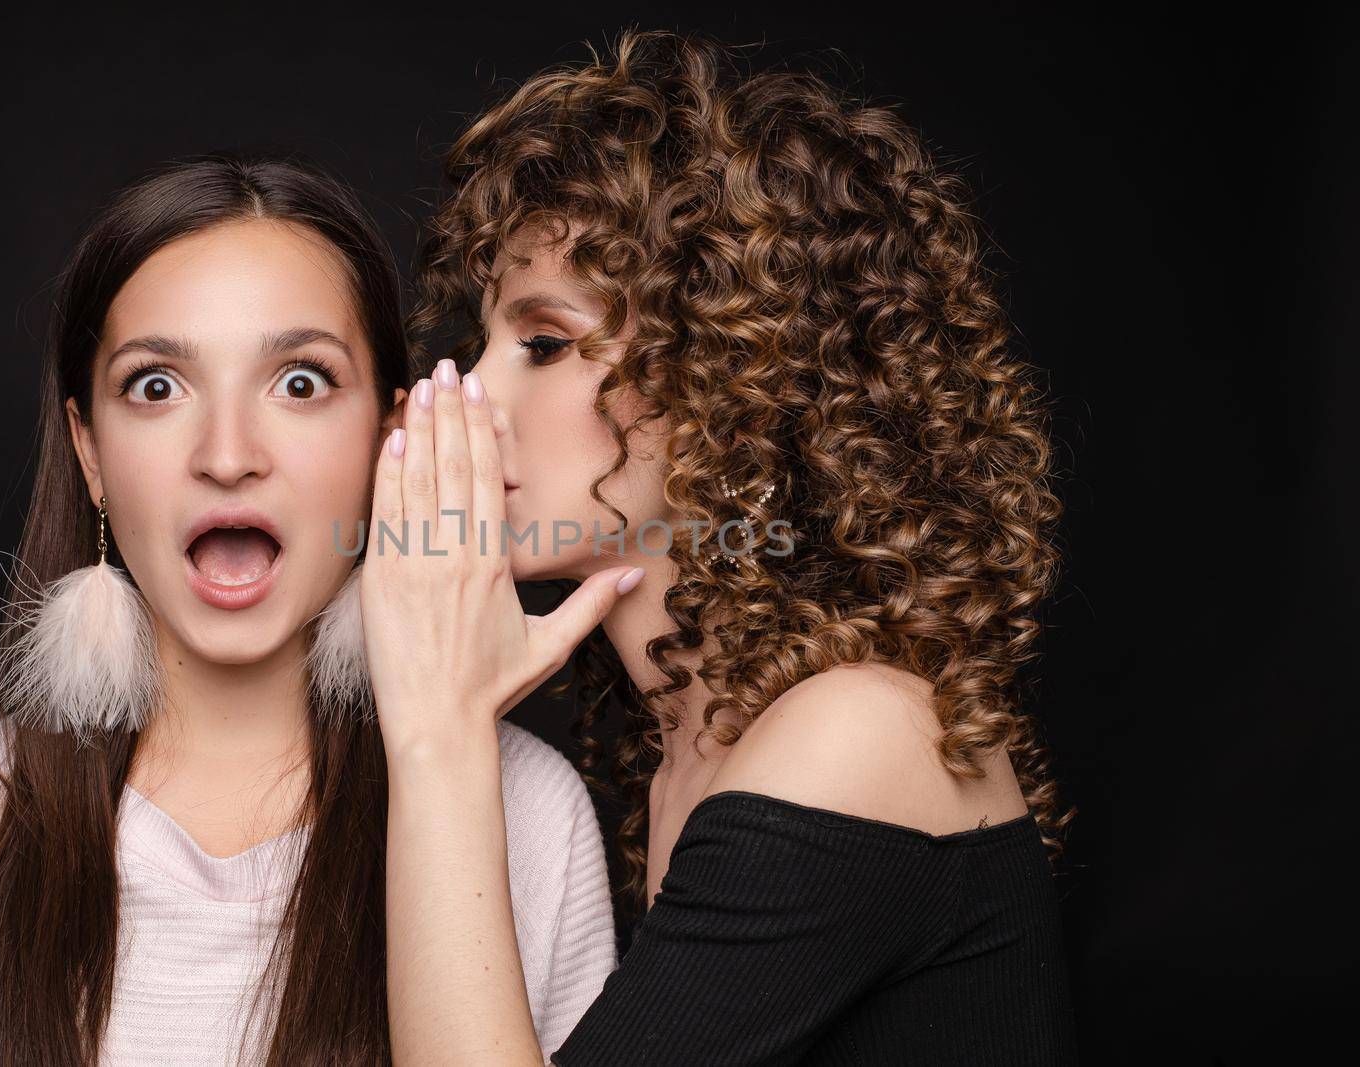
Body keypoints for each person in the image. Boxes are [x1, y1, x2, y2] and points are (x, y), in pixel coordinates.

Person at [0, 152, 617, 1066]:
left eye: (300, 382)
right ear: (91, 452)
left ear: (390, 437)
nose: (228, 455)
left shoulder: (524, 812)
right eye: (157, 386)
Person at [366, 30, 1079, 1064]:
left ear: (728, 390)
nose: (471, 398)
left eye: (546, 343)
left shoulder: (855, 735)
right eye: (482, 341)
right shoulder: (694, 753)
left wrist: (436, 726)